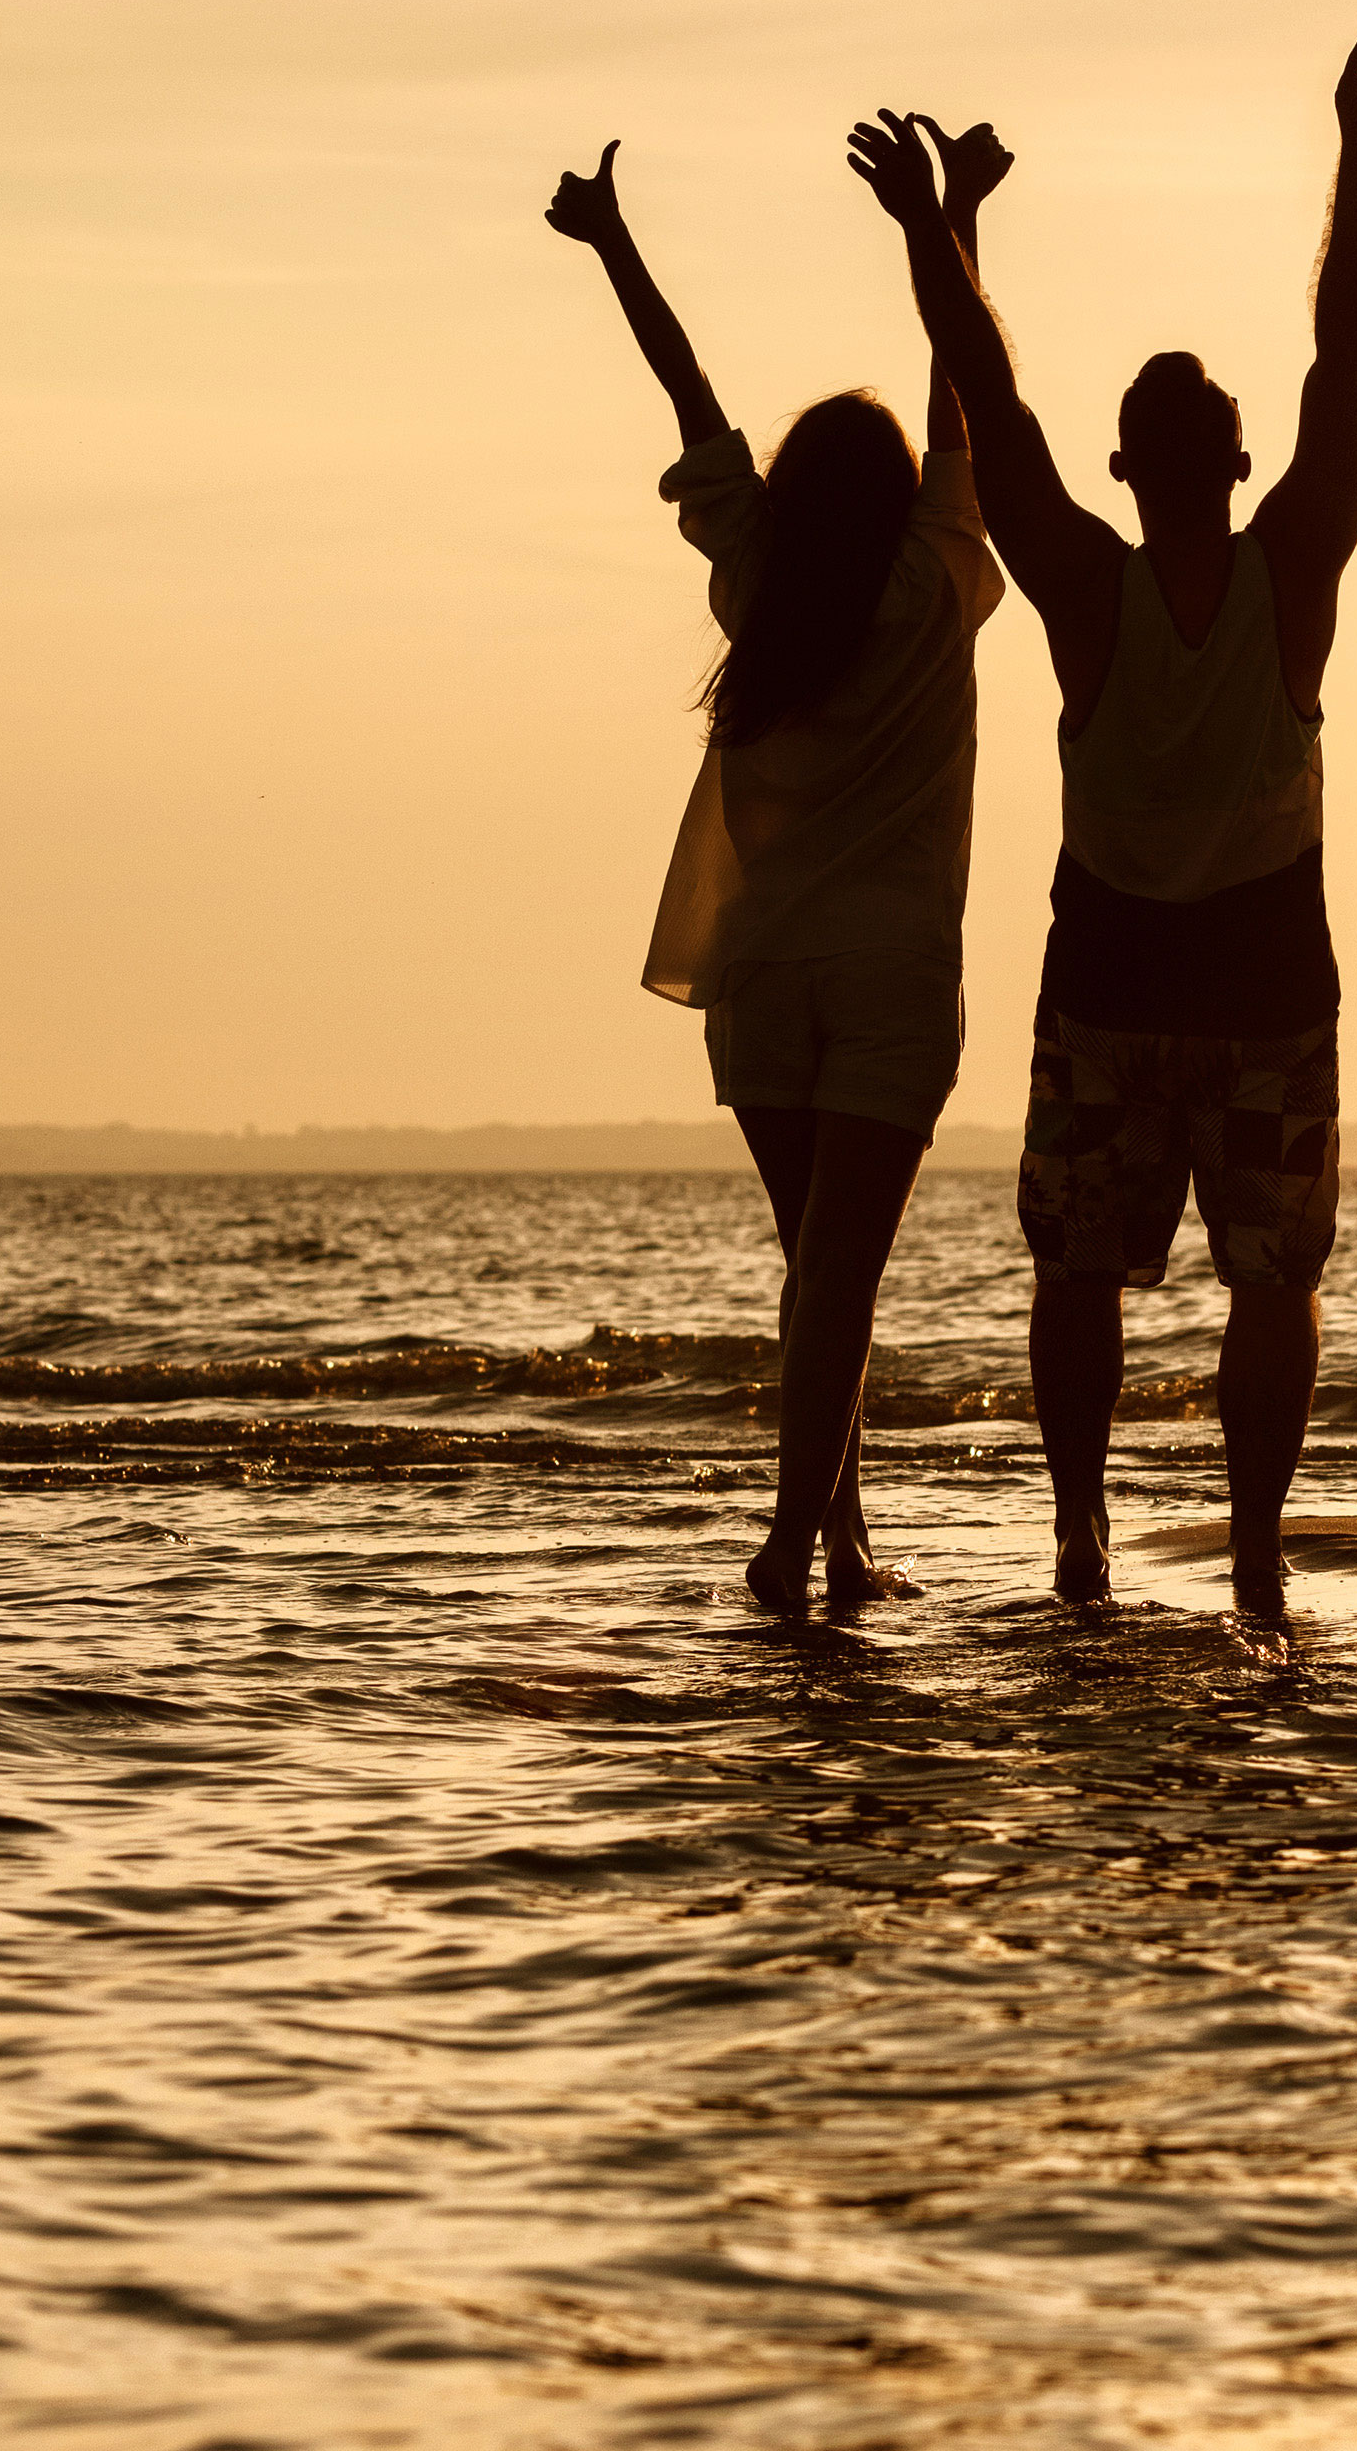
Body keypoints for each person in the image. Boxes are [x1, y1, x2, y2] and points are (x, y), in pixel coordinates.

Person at [851, 44, 1357, 1629]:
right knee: (1268, 1278)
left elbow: (991, 395)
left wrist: (935, 229)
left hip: (1118, 982)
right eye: (1222, 419)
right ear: (1227, 462)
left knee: (1090, 1271)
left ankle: (1089, 1537)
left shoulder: (1086, 585)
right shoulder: (1286, 565)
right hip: (1253, 989)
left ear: (1128, 469)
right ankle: (1247, 1554)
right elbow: (1343, 347)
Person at [545, 132, 1009, 1620]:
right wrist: (950, 228)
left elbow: (690, 399)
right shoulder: (935, 573)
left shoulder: (760, 575)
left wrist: (616, 245)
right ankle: (792, 1546)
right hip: (884, 981)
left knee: (819, 1278)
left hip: (757, 981)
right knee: (838, 1282)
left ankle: (840, 1538)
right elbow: (968, 400)